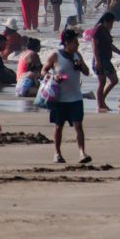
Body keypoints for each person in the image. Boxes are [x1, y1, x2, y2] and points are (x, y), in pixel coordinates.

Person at [43, 29, 91, 164]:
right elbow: (43, 70)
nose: (78, 45)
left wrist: (80, 66)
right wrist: (53, 76)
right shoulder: (56, 55)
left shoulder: (77, 55)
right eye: (75, 42)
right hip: (59, 98)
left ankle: (82, 153)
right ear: (66, 43)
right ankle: (57, 153)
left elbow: (87, 72)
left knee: (78, 126)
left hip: (75, 97)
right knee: (59, 126)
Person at [90, 12, 120, 113]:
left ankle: (101, 100)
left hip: (106, 60)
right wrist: (97, 61)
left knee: (114, 80)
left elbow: (110, 46)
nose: (111, 25)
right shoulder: (98, 31)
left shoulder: (105, 31)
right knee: (102, 82)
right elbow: (94, 47)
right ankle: (100, 104)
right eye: (110, 23)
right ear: (105, 21)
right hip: (99, 59)